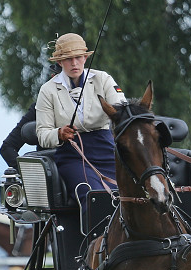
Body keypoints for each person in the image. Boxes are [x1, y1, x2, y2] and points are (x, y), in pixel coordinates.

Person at [35, 32, 127, 208]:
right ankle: (94, 236)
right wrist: (59, 134)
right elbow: (42, 134)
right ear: (60, 62)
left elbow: (121, 110)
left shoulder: (103, 79)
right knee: (92, 195)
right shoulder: (48, 91)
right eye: (68, 59)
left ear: (85, 58)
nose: (74, 63)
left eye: (78, 57)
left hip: (106, 149)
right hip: (73, 155)